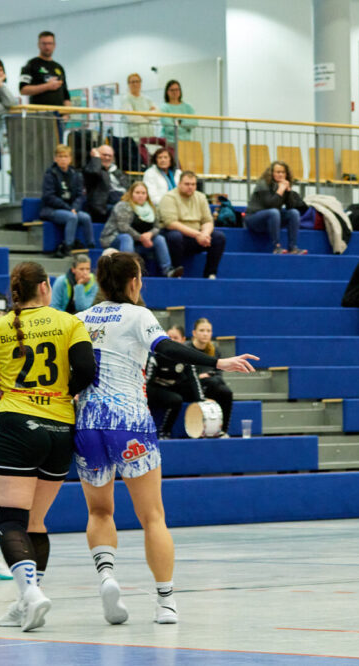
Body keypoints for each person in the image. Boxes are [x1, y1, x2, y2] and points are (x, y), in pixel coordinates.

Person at [74, 252, 257, 625]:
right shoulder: (139, 315)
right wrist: (217, 362)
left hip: (89, 422)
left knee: (99, 510)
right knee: (152, 516)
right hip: (129, 422)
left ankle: (107, 575)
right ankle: (166, 602)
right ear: (133, 282)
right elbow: (167, 348)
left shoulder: (78, 319)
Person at [0, 262, 95, 631]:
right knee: (36, 521)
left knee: (10, 519)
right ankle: (27, 604)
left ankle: (30, 596)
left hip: (17, 424)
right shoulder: (70, 322)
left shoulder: (1, 326)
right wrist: (61, 394)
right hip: (60, 426)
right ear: (44, 288)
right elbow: (86, 369)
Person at [101, 181, 182, 278]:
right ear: (131, 194)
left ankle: (168, 270)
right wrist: (141, 238)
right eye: (137, 193)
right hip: (116, 240)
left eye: (143, 193)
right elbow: (123, 227)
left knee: (159, 239)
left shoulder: (152, 208)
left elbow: (157, 226)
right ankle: (128, 270)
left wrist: (150, 235)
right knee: (126, 237)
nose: (140, 196)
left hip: (139, 243)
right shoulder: (123, 205)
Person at [159, 172, 226, 278]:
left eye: (193, 184)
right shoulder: (169, 197)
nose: (190, 187)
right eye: (187, 184)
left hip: (197, 236)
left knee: (219, 237)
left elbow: (207, 221)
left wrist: (204, 234)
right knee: (174, 236)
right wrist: (198, 235)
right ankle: (176, 272)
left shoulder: (201, 197)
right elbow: (171, 223)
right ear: (179, 184)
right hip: (178, 234)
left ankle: (210, 274)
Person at [146, 326, 208, 439]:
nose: (172, 340)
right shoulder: (156, 357)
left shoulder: (185, 357)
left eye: (176, 338)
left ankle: (204, 429)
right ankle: (164, 432)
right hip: (156, 389)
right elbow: (147, 383)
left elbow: (193, 379)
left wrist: (201, 400)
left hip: (175, 387)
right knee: (175, 399)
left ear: (183, 340)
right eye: (169, 337)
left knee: (202, 388)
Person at [39, 144, 94, 257]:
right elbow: (49, 197)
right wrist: (69, 209)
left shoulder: (76, 174)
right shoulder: (50, 174)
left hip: (71, 208)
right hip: (52, 209)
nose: (63, 159)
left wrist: (74, 208)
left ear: (70, 159)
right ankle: (68, 246)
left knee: (86, 217)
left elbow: (80, 195)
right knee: (72, 217)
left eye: (65, 156)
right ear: (55, 158)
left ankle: (91, 246)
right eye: (60, 156)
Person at [244, 161, 307, 254]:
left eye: (283, 172)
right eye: (278, 172)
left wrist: (288, 191)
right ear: (272, 173)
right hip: (254, 219)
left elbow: (291, 206)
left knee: (294, 213)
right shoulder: (263, 184)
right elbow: (269, 204)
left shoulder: (283, 185)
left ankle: (293, 247)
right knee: (274, 212)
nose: (281, 174)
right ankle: (276, 246)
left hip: (272, 219)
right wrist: (280, 190)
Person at [185, 318, 234, 437]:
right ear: (194, 333)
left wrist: (207, 377)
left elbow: (218, 375)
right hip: (189, 386)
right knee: (213, 383)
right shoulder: (186, 348)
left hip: (210, 385)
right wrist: (200, 377)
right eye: (202, 330)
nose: (205, 333)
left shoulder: (214, 349)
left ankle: (223, 430)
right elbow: (185, 375)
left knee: (226, 392)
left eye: (208, 331)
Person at [18, 32, 71, 109]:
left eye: (50, 43)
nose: (47, 47)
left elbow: (65, 94)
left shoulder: (59, 67)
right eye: (44, 44)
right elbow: (23, 90)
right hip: (40, 114)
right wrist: (47, 86)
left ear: (54, 45)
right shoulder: (31, 64)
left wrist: (67, 114)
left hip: (59, 115)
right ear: (38, 45)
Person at [83, 144, 130, 224]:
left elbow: (128, 188)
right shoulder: (90, 169)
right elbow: (95, 171)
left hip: (121, 202)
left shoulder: (117, 172)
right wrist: (96, 158)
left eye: (110, 156)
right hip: (102, 207)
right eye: (104, 155)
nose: (107, 158)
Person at [120, 73, 157, 140]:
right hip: (134, 139)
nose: (135, 84)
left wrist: (138, 113)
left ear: (140, 83)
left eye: (137, 81)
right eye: (132, 82)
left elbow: (156, 116)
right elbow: (132, 118)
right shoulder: (126, 99)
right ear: (128, 84)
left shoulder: (148, 99)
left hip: (150, 137)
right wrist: (148, 116)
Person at [160, 80, 197, 144]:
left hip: (186, 141)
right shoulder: (164, 108)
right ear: (167, 92)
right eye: (172, 90)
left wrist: (178, 121)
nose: (174, 92)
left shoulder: (188, 107)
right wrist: (186, 127)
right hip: (169, 142)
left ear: (180, 91)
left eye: (177, 89)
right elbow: (170, 128)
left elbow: (194, 123)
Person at [0, 59, 17, 177]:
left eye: (0, 70)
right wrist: (5, 108)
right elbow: (7, 106)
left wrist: (0, 85)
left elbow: (12, 104)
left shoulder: (1, 88)